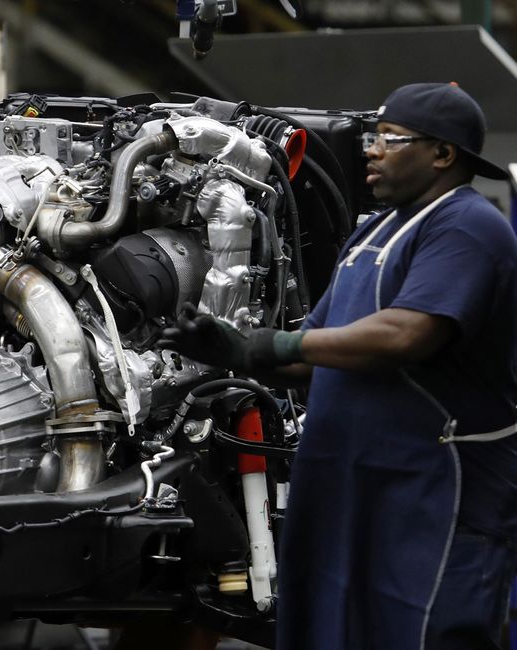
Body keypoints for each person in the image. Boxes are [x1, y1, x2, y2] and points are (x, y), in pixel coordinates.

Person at [161, 82, 517, 649]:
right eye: (373, 136)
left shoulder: (466, 226)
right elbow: (316, 349)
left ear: (443, 155)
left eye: (391, 139)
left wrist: (272, 346)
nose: (371, 150)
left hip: (429, 487)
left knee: (423, 627)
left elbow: (406, 334)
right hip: (349, 483)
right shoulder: (373, 230)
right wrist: (231, 349)